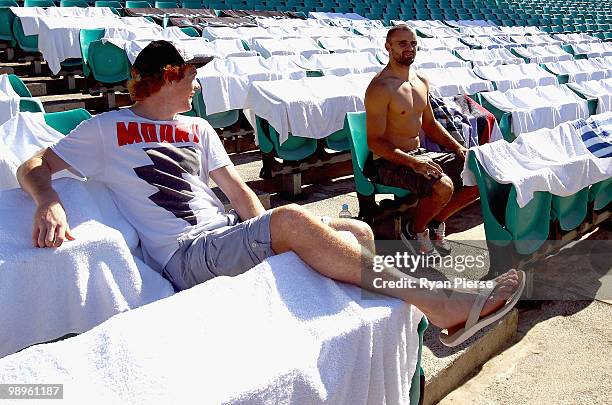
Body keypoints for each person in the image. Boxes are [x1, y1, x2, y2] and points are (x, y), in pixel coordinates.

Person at [17, 40, 523, 347]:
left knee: (354, 228)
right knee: (295, 224)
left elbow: (241, 196)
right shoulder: (108, 129)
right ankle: (446, 307)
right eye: (191, 74)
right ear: (166, 77)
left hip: (224, 238)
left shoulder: (198, 129)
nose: (197, 84)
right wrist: (49, 200)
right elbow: (35, 163)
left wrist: (262, 235)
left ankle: (385, 328)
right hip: (185, 257)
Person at [365, 25, 480, 257]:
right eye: (402, 43)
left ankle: (436, 222)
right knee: (443, 186)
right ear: (388, 47)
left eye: (414, 43)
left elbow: (430, 125)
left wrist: (458, 148)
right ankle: (416, 231)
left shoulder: (420, 81)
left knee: (479, 172)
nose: (409, 48)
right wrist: (413, 163)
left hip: (419, 154)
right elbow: (375, 142)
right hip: (388, 162)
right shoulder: (380, 87)